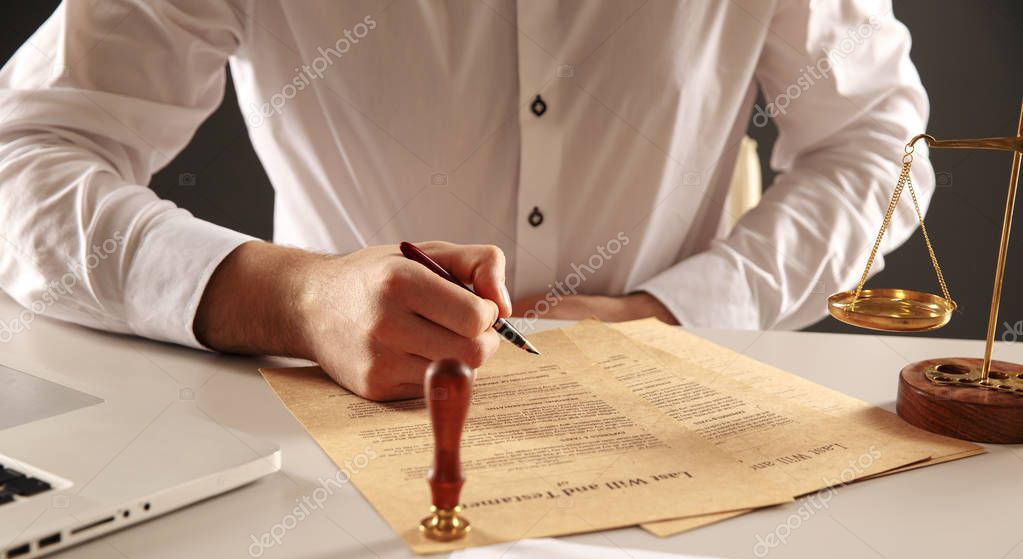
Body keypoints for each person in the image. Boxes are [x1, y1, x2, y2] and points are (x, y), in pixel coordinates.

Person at [0, 1, 933, 400]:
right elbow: (26, 156)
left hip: (665, 424)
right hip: (323, 428)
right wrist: (294, 297)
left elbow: (877, 146)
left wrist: (679, 313)